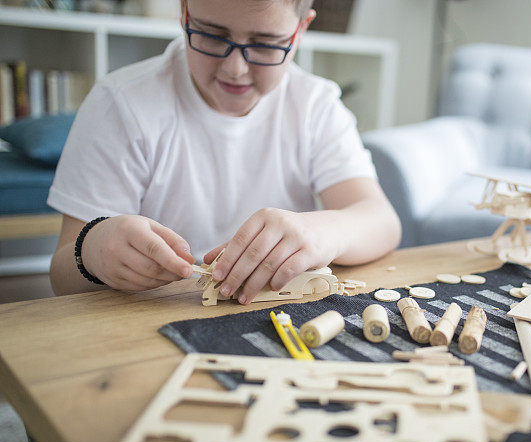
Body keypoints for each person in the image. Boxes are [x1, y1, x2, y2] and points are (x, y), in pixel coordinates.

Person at [47, 0, 401, 304]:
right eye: (212, 35)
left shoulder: (314, 105)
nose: (235, 68)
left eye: (265, 44)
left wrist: (323, 230)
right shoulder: (121, 104)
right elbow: (62, 275)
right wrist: (91, 252)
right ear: (184, 12)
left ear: (300, 30)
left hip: (272, 314)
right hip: (144, 321)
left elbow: (381, 221)